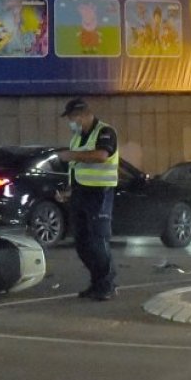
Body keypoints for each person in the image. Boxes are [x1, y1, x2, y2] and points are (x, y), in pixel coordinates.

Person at [56, 98, 119, 301]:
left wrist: (72, 155)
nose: (71, 122)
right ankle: (97, 283)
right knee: (82, 242)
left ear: (83, 115)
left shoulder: (105, 132)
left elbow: (101, 155)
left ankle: (107, 285)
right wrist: (70, 190)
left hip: (99, 193)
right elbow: (75, 168)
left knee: (98, 240)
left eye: (72, 118)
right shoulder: (77, 137)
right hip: (80, 193)